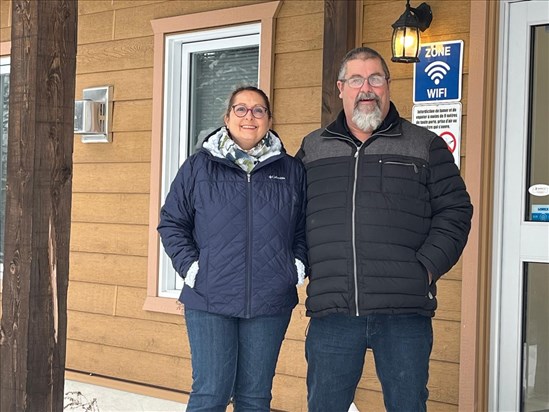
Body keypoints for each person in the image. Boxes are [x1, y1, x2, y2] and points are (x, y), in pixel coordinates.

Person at [296, 47, 473, 412]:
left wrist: (424, 269)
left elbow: (455, 210)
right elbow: (292, 218)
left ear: (388, 86)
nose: (367, 88)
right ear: (341, 87)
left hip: (404, 312)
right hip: (334, 312)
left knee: (408, 406)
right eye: (357, 80)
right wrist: (308, 265)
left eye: (375, 78)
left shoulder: (425, 145)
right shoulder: (313, 149)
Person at [158, 86, 308, 412]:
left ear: (269, 120)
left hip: (270, 299)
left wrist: (294, 267)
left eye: (258, 110)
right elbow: (172, 222)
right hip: (210, 297)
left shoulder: (291, 171)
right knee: (210, 394)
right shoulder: (199, 167)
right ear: (227, 118)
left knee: (255, 398)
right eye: (240, 109)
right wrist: (194, 269)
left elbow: (304, 229)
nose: (249, 116)